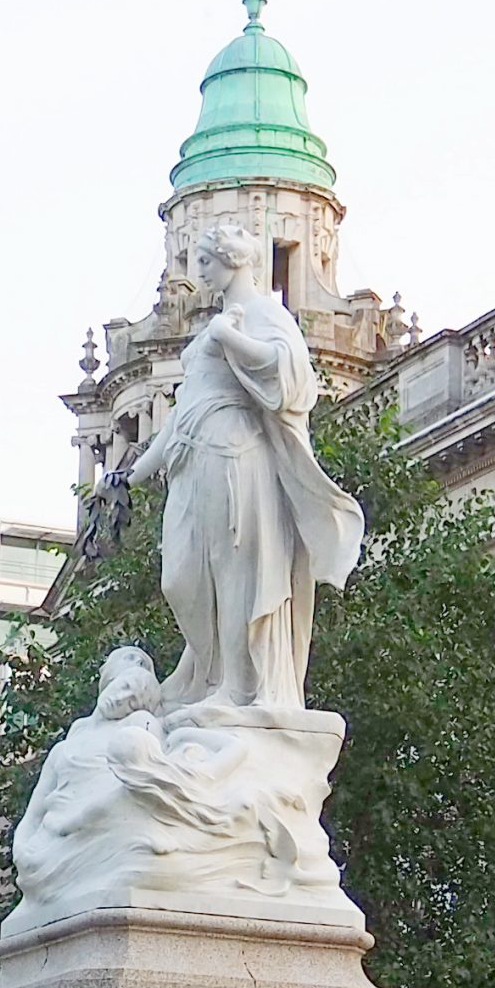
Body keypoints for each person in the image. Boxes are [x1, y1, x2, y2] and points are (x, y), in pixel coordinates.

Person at [128, 221, 363, 712]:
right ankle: (210, 676)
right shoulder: (219, 322)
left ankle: (235, 686)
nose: (199, 273)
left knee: (233, 571)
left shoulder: (264, 313)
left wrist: (228, 338)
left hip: (235, 453)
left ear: (232, 261)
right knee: (180, 578)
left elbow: (293, 378)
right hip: (190, 459)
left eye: (205, 262)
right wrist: (128, 476)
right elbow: (179, 416)